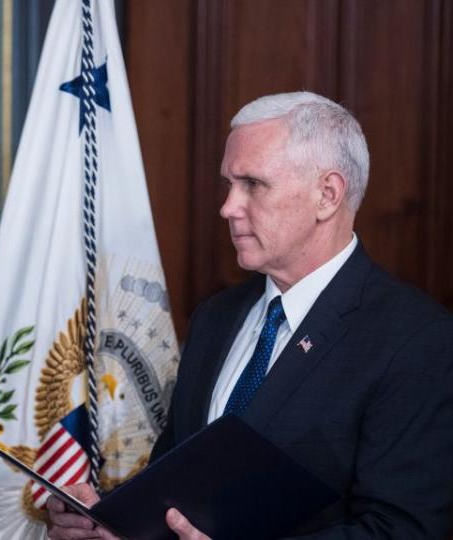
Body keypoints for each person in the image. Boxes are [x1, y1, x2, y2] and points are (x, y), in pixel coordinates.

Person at [48, 91, 453, 539]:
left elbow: (404, 529)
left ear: (328, 195)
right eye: (229, 184)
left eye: (253, 185)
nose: (228, 207)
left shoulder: (418, 341)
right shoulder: (216, 318)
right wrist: (109, 519)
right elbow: (175, 485)